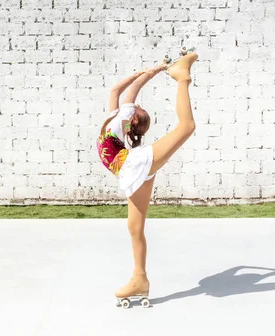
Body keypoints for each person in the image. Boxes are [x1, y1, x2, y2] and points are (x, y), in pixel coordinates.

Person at [96, 51, 198, 302]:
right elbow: (116, 90)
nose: (136, 104)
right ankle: (139, 279)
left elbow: (133, 89)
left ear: (133, 118)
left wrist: (157, 70)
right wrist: (149, 70)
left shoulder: (122, 117)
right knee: (134, 226)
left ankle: (182, 76)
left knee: (186, 127)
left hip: (135, 164)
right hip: (133, 171)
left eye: (138, 108)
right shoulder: (114, 117)